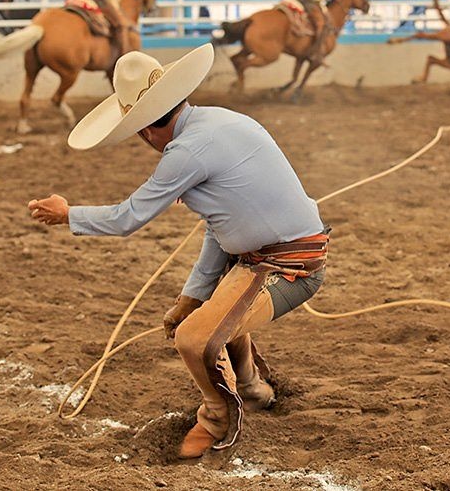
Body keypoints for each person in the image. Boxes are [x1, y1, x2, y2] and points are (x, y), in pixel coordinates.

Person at [28, 46, 329, 460]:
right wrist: (192, 296)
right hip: (265, 257)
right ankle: (253, 388)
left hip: (289, 265)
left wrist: (68, 214)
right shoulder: (219, 121)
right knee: (209, 316)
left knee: (194, 338)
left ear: (145, 130)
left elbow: (126, 218)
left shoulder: (187, 151)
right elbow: (220, 228)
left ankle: (218, 418)